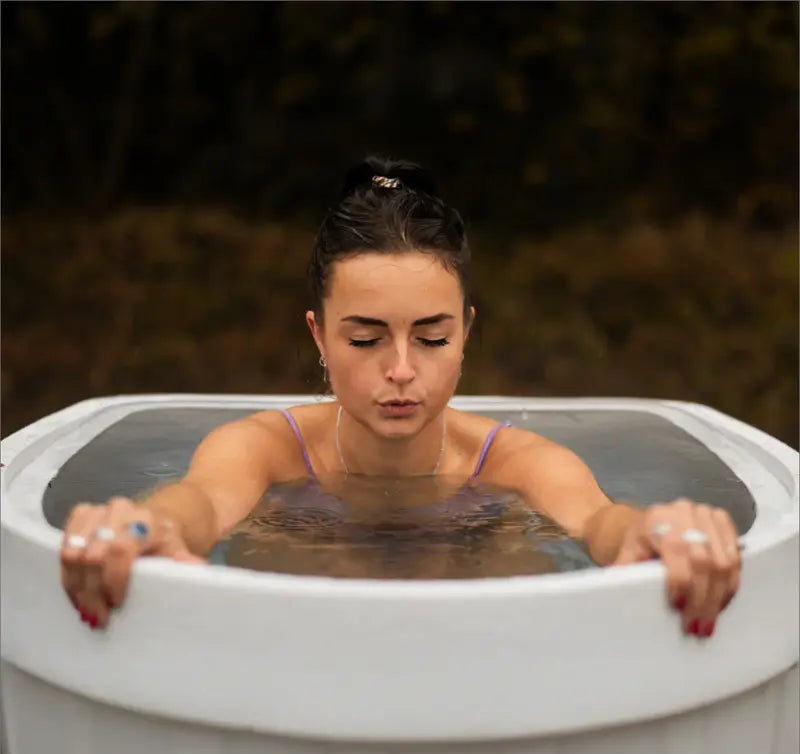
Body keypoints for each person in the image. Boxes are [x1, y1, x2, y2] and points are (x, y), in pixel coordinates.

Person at [59, 156, 742, 635]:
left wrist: (654, 530)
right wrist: (144, 524)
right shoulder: (264, 447)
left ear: (466, 333)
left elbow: (600, 524)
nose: (401, 370)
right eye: (364, 340)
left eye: (432, 338)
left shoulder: (518, 463)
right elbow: (201, 502)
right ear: (319, 337)